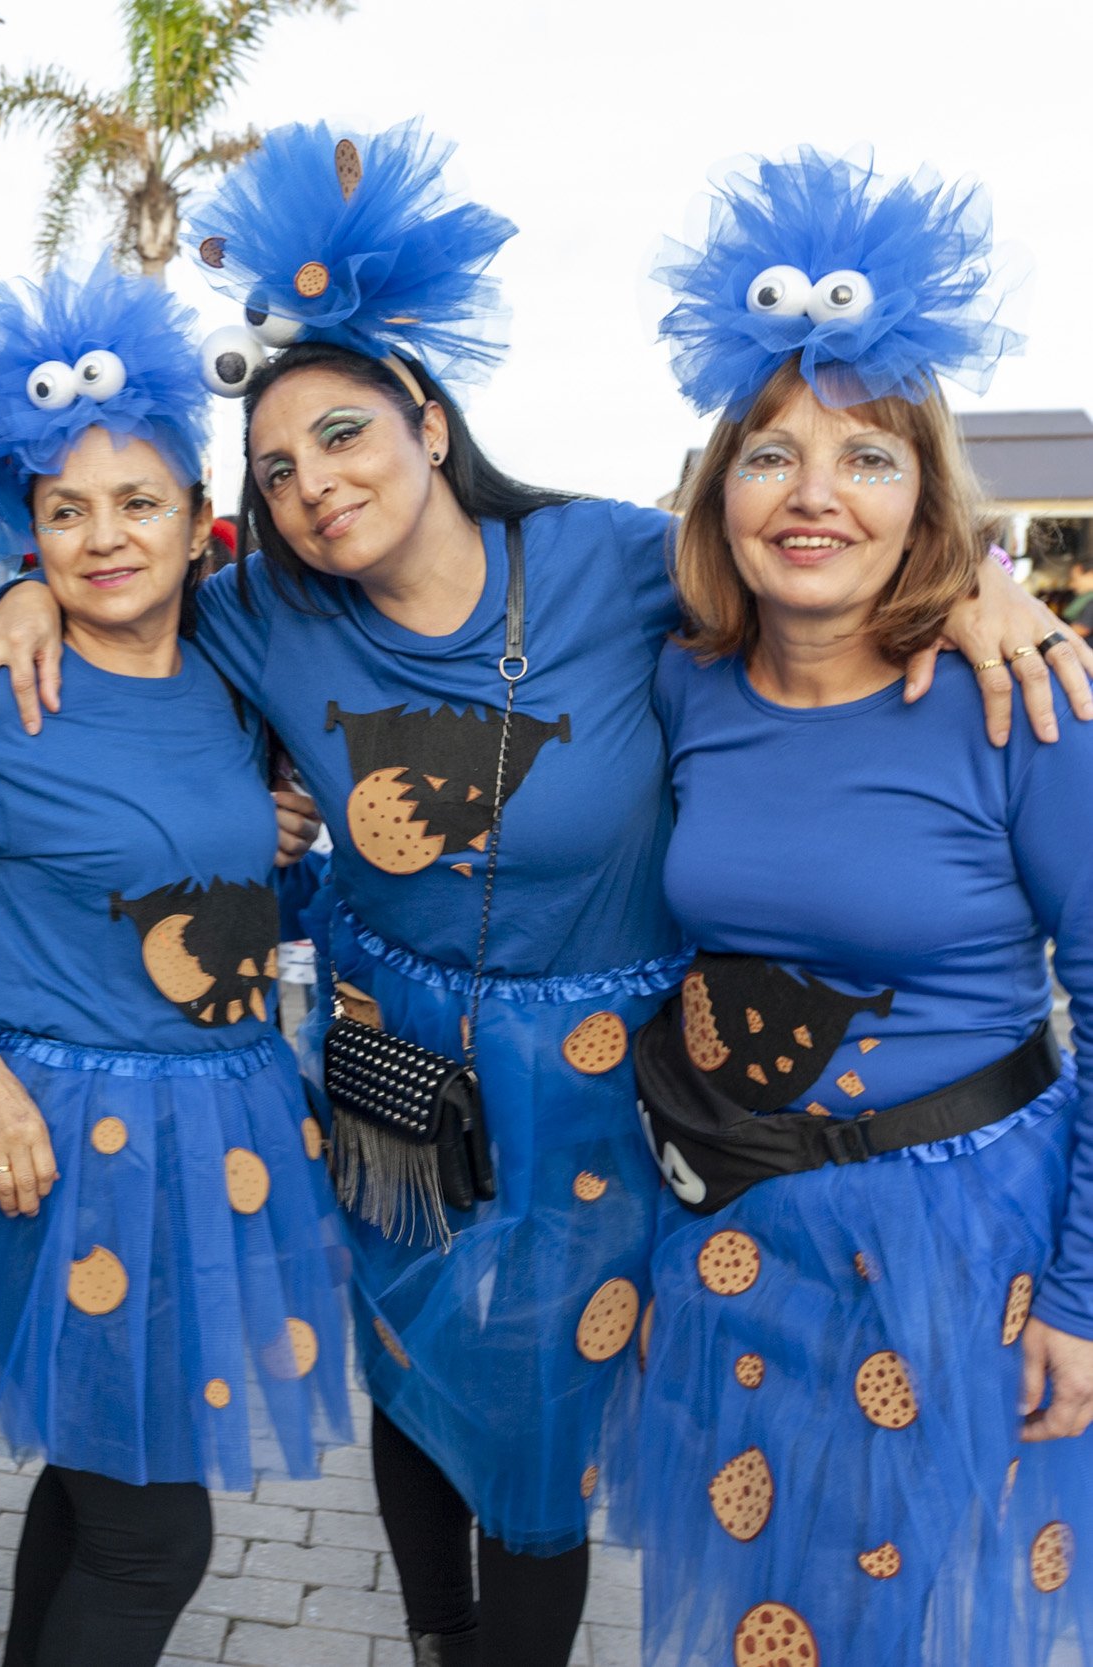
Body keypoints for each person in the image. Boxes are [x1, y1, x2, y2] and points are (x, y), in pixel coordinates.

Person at [0, 122, 1093, 1667]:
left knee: (553, 1412)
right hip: (380, 1035)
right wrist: (21, 576)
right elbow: (122, 573)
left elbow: (812, 561)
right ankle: (431, 1634)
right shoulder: (266, 615)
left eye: (344, 436)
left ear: (425, 416)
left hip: (601, 1079)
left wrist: (982, 580)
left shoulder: (621, 565)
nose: (314, 486)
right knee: (409, 1356)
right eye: (277, 471)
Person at [625, 151, 1093, 1667]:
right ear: (719, 490)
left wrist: (1084, 1294)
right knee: (774, 1604)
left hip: (976, 1243)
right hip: (741, 1227)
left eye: (870, 459)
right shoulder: (681, 681)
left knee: (942, 1615)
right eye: (772, 455)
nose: (816, 495)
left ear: (926, 497)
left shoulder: (1025, 701)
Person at [0, 261, 348, 1667]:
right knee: (160, 1532)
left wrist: (299, 858)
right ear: (29, 532)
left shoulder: (233, 677)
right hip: (49, 1152)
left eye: (137, 502)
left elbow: (237, 895)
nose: (103, 539)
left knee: (97, 1491)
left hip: (214, 1138)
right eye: (65, 512)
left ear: (195, 517)